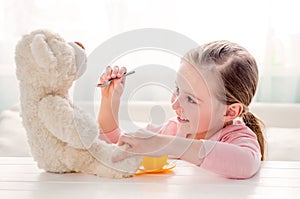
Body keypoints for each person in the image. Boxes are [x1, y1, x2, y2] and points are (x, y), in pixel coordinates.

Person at [97, 40, 265, 179]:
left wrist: (167, 144)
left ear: (229, 112)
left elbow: (247, 163)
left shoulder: (236, 137)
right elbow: (115, 148)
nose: (175, 104)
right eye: (177, 89)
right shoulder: (169, 129)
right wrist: (109, 101)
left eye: (191, 99)